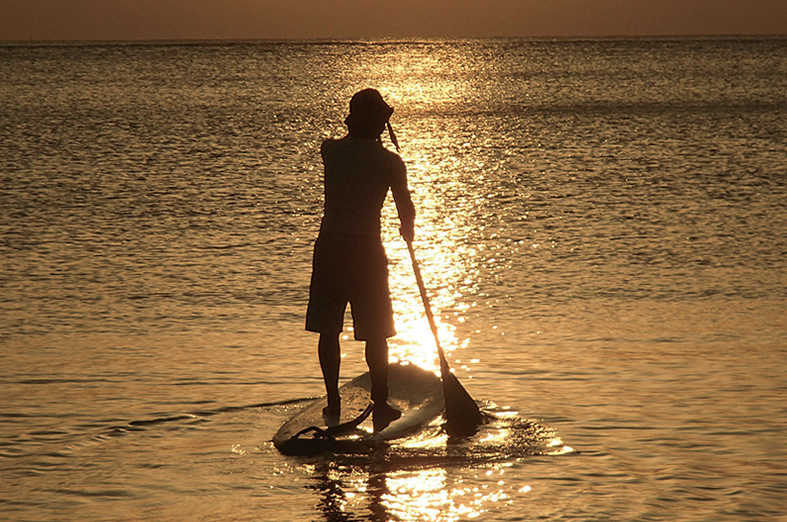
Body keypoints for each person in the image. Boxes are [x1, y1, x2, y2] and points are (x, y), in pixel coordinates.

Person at [306, 89, 415, 432]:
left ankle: (332, 399)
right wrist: (407, 230)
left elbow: (331, 143)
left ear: (352, 120)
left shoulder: (331, 152)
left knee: (328, 328)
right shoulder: (390, 163)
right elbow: (406, 210)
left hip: (330, 247)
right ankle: (380, 401)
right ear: (380, 124)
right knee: (376, 333)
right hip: (366, 251)